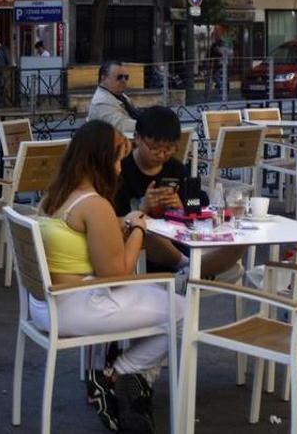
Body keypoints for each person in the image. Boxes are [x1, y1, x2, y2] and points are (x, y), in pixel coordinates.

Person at [33, 120, 185, 432]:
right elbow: (118, 274)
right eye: (116, 159)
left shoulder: (57, 194)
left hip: (44, 304)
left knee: (157, 300)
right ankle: (116, 376)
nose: (119, 169)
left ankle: (135, 387)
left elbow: (78, 233)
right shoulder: (95, 204)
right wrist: (139, 229)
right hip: (76, 308)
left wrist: (120, 222)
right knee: (183, 310)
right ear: (101, 160)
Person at [113, 107, 246, 282]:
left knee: (237, 255)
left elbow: (199, 203)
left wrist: (181, 206)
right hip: (144, 254)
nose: (161, 154)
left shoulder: (176, 168)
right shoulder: (122, 169)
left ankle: (187, 273)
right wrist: (143, 208)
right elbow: (116, 219)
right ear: (138, 138)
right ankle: (187, 270)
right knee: (146, 231)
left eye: (169, 149)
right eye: (155, 148)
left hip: (181, 244)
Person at [88, 60, 139, 134]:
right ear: (103, 78)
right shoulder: (101, 103)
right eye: (119, 77)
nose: (124, 81)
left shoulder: (119, 95)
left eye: (126, 77)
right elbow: (124, 128)